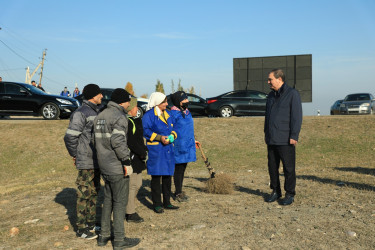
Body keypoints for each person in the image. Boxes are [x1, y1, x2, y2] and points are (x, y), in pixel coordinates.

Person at [94, 88, 140, 248]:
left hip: (104, 165)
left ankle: (103, 236)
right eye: (128, 101)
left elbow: (96, 141)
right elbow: (117, 141)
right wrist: (126, 162)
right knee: (120, 203)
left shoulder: (100, 115)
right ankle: (119, 240)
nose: (129, 104)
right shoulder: (120, 117)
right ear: (122, 101)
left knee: (107, 201)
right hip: (116, 166)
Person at [63, 84, 103, 239]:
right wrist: (76, 155)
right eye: (99, 94)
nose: (102, 96)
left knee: (94, 192)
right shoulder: (81, 113)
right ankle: (81, 228)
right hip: (86, 160)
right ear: (93, 95)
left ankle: (91, 223)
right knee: (84, 194)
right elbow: (70, 137)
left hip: (97, 160)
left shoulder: (97, 111)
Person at [264, 68, 302, 206]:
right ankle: (275, 191)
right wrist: (266, 133)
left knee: (288, 168)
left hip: (286, 138)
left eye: (270, 79)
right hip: (271, 138)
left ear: (279, 79)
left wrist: (294, 135)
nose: (268, 82)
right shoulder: (270, 96)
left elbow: (296, 117)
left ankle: (290, 193)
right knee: (272, 167)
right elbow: (267, 117)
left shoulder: (292, 94)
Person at [142, 92, 179, 213]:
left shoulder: (168, 114)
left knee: (168, 176)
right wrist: (159, 138)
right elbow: (145, 131)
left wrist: (172, 137)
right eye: (165, 102)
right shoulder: (149, 116)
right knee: (156, 177)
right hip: (156, 150)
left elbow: (174, 129)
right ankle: (157, 204)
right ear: (157, 103)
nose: (167, 104)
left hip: (168, 149)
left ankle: (167, 202)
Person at [169, 91, 200, 202]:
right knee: (178, 169)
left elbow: (188, 128)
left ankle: (179, 190)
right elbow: (170, 130)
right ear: (178, 101)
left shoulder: (187, 112)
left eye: (187, 99)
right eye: (184, 99)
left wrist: (194, 140)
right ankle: (178, 192)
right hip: (178, 146)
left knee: (183, 169)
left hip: (188, 144)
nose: (187, 101)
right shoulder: (173, 114)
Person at [125, 98, 148, 223]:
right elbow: (131, 141)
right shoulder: (127, 122)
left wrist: (144, 150)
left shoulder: (135, 121)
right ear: (130, 108)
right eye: (135, 107)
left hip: (139, 157)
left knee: (138, 184)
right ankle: (130, 212)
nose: (137, 109)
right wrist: (141, 152)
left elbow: (139, 139)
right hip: (133, 158)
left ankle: (128, 206)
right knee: (132, 185)